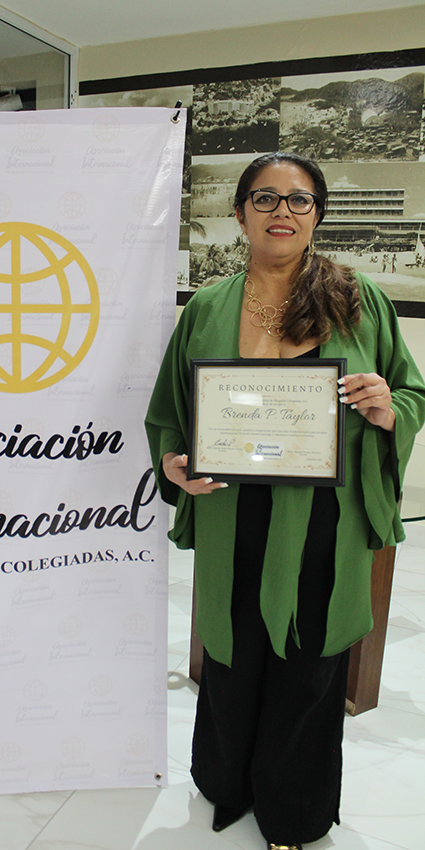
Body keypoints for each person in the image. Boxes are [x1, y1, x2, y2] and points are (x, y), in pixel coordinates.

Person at [145, 151, 425, 850]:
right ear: (240, 214)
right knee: (233, 651)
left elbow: (410, 392)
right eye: (264, 198)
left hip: (322, 515)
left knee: (308, 661)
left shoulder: (358, 300)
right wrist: (175, 464)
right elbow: (170, 414)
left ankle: (294, 810)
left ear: (316, 215)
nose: (282, 211)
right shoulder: (207, 306)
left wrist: (387, 407)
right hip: (231, 509)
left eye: (298, 200)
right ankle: (225, 783)